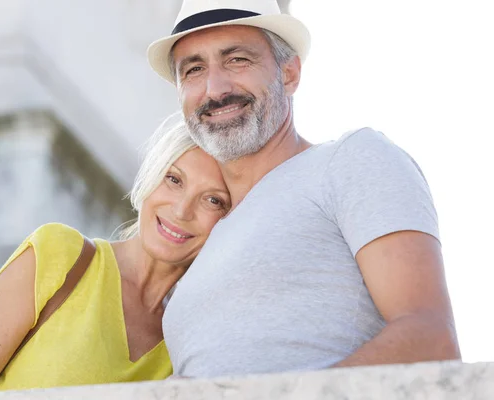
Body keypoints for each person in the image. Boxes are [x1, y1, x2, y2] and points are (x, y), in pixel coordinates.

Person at [146, 0, 461, 378]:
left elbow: (430, 338)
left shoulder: (348, 160)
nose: (215, 89)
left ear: (290, 73)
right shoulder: (204, 234)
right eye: (194, 70)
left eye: (237, 60)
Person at [0, 115, 231, 394]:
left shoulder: (187, 344)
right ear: (151, 176)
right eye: (174, 179)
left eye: (213, 200)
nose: (181, 210)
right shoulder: (60, 255)